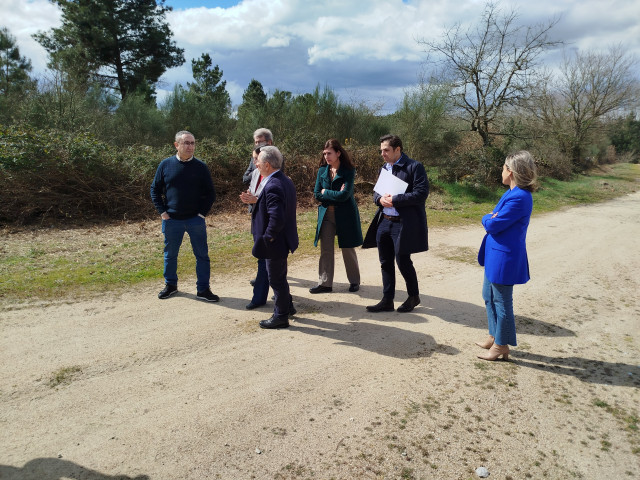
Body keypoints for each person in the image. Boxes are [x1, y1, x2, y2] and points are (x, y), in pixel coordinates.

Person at [476, 151, 537, 361]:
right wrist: (491, 217)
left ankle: (502, 345)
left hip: (505, 258)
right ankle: (494, 336)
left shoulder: (520, 197)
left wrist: (487, 218)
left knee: (502, 302)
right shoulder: (511, 192)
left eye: (503, 167)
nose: (501, 171)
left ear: (510, 172)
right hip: (495, 254)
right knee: (488, 297)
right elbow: (494, 218)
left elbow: (492, 222)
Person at [362, 134, 429, 313]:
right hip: (384, 221)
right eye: (381, 150)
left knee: (403, 261)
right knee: (385, 262)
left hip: (403, 223)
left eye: (386, 150)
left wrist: (396, 199)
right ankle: (387, 300)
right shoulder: (384, 168)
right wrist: (380, 200)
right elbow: (376, 193)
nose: (382, 154)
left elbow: (421, 193)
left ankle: (413, 296)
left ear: (397, 149)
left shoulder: (414, 167)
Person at [150, 131, 219, 302]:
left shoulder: (201, 167)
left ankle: (203, 289)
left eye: (192, 143)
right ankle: (171, 285)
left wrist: (202, 214)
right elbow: (154, 190)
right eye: (186, 143)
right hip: (172, 220)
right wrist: (163, 212)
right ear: (176, 145)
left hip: (195, 220)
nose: (190, 146)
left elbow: (210, 193)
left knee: (202, 255)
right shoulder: (165, 165)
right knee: (170, 255)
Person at [250, 146, 299, 329]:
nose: (256, 164)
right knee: (280, 276)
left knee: (276, 279)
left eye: (258, 161)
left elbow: (276, 217)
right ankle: (287, 306)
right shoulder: (283, 180)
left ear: (267, 165)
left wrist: (268, 238)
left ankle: (281, 316)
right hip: (281, 239)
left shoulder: (273, 185)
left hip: (275, 242)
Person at [309, 138, 362, 294]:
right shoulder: (322, 171)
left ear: (338, 153)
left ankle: (354, 281)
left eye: (329, 153)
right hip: (326, 215)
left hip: (345, 215)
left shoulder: (349, 171)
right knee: (325, 249)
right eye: (324, 153)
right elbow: (317, 194)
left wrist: (327, 193)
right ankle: (325, 284)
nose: (326, 156)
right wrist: (332, 194)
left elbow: (345, 195)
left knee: (347, 248)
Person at [239, 146, 270, 309]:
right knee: (264, 261)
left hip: (269, 226)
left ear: (266, 161)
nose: (253, 162)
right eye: (253, 158)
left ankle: (261, 298)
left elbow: (273, 203)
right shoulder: (256, 173)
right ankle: (285, 300)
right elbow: (254, 191)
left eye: (256, 159)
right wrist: (248, 198)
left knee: (269, 262)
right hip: (257, 221)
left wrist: (255, 199)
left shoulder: (276, 178)